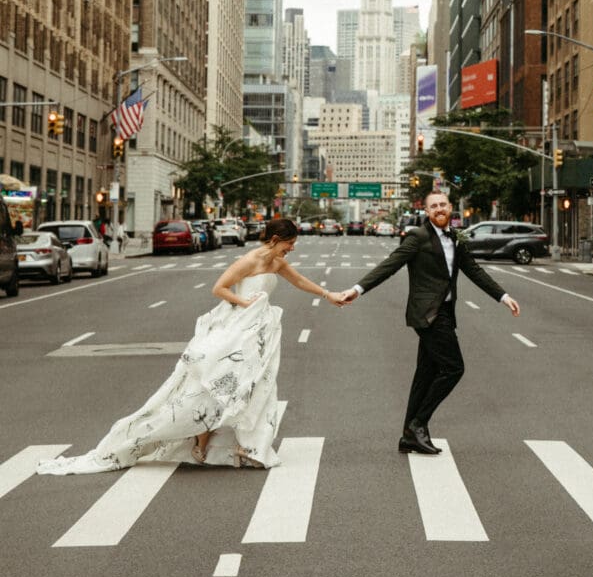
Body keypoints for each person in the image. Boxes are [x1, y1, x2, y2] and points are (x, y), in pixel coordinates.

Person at [37, 218, 345, 475]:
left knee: (254, 386)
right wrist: (245, 302)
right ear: (277, 239)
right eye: (290, 243)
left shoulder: (277, 262)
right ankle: (200, 443)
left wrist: (328, 294)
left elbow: (301, 281)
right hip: (236, 329)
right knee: (214, 385)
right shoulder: (249, 260)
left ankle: (247, 444)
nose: (293, 248)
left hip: (258, 332)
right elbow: (219, 288)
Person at [339, 191, 520, 456]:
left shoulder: (456, 238)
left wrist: (503, 296)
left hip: (444, 310)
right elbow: (390, 264)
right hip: (428, 313)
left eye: (442, 205)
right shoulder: (418, 237)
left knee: (425, 374)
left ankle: (408, 436)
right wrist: (357, 289)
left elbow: (474, 270)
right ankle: (418, 424)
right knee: (453, 368)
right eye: (433, 206)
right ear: (426, 211)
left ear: (450, 208)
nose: (439, 209)